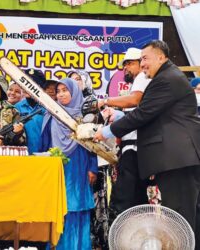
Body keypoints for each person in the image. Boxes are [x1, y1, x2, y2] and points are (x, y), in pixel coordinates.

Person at [94, 40, 200, 248]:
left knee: (181, 217)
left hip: (177, 158)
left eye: (145, 58)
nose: (142, 64)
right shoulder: (167, 77)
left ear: (161, 57)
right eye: (140, 60)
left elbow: (143, 113)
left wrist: (106, 131)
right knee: (185, 214)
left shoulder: (166, 79)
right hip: (175, 158)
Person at [40, 78, 98, 250]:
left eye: (65, 90)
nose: (61, 94)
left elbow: (93, 146)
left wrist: (92, 168)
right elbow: (45, 143)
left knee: (77, 206)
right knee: (58, 207)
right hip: (57, 166)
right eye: (58, 91)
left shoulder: (84, 117)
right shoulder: (51, 115)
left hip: (79, 165)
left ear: (74, 92)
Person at [98, 48, 151, 222]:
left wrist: (105, 101)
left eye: (130, 63)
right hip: (135, 147)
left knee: (123, 199)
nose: (125, 68)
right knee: (137, 200)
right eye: (124, 65)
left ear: (141, 63)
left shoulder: (142, 78)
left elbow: (133, 102)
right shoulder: (139, 82)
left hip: (135, 149)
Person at [14, 69, 46, 155]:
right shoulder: (17, 107)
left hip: (44, 156)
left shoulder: (48, 108)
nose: (26, 87)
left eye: (31, 84)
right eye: (24, 83)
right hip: (23, 157)